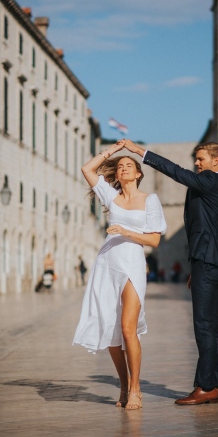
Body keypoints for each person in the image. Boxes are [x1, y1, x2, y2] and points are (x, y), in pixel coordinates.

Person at [124, 139, 218, 406]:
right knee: (213, 326)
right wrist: (195, 267)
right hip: (211, 262)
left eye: (201, 159)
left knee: (204, 326)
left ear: (215, 161)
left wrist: (141, 152)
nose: (196, 163)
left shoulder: (210, 182)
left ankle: (206, 386)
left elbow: (175, 171)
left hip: (207, 263)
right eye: (196, 159)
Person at [73, 140, 166, 410]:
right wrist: (112, 151)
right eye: (121, 166)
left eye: (130, 165)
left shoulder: (150, 200)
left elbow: (154, 241)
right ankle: (123, 385)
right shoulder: (110, 197)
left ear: (138, 174)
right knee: (111, 331)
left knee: (127, 328)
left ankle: (136, 389)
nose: (124, 167)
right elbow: (87, 169)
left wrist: (126, 232)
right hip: (107, 263)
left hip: (132, 263)